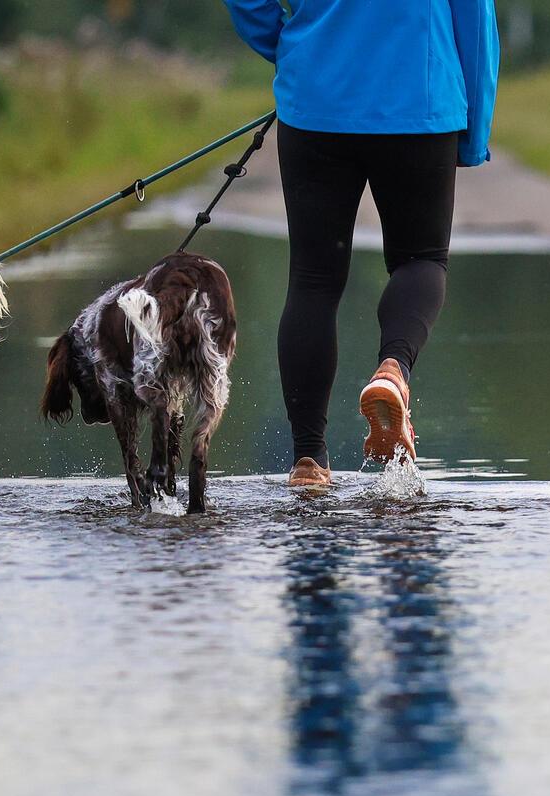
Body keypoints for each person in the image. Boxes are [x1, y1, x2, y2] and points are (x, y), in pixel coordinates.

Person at [224, 0, 500, 488]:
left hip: (316, 100)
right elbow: (474, 16)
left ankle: (308, 461)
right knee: (421, 259)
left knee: (313, 279)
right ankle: (393, 370)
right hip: (420, 98)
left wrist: (294, 48)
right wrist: (473, 130)